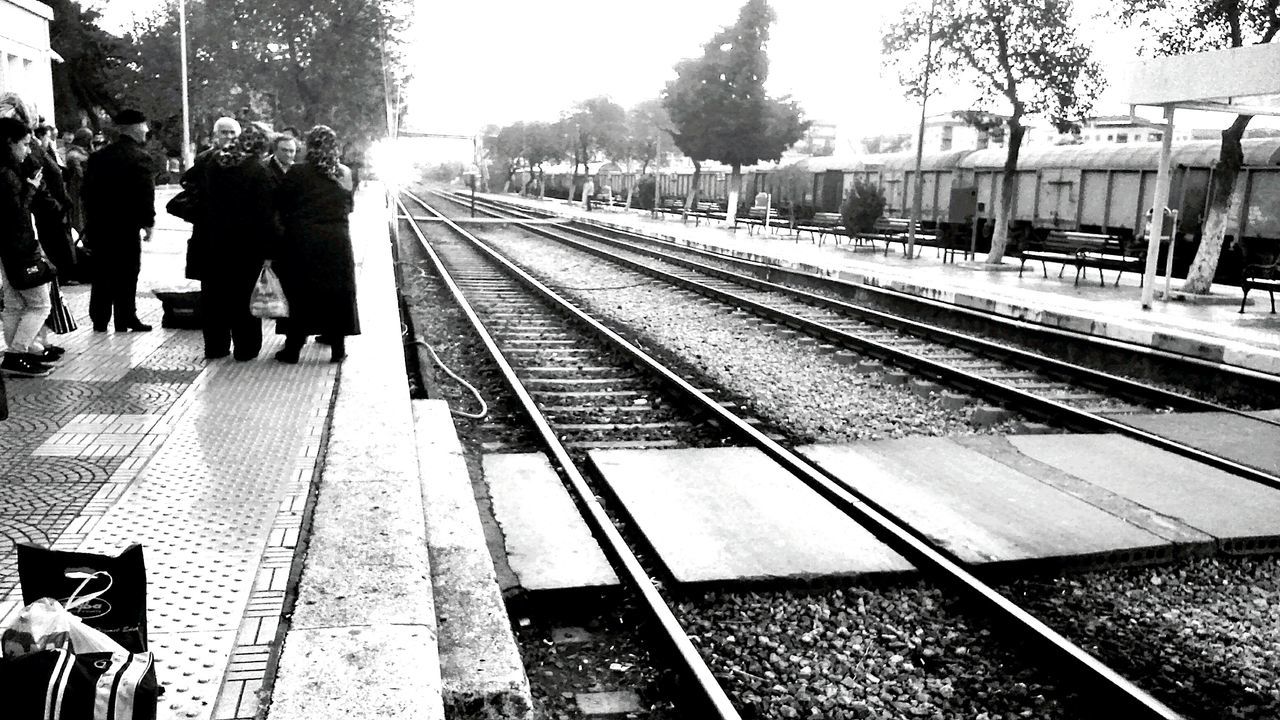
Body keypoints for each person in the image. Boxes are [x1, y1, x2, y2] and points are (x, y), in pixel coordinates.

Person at [273, 125, 359, 364]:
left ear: (309, 146)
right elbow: (349, 207)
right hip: (337, 240)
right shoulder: (344, 173)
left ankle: (293, 349)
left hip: (303, 241)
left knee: (299, 292)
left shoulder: (297, 172)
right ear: (334, 146)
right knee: (337, 292)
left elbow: (281, 204)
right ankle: (338, 349)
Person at [197, 125, 276, 360]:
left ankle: (215, 347)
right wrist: (269, 249)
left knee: (214, 296)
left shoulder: (213, 164)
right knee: (243, 296)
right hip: (245, 245)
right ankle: (246, 349)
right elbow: (265, 214)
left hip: (213, 240)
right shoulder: (258, 170)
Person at [83, 109, 156, 333]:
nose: (146, 130)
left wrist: (91, 222)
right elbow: (145, 194)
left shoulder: (98, 157)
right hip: (126, 226)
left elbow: (87, 193)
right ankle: (125, 318)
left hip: (100, 225)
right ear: (134, 128)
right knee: (127, 271)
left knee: (102, 271)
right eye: (144, 126)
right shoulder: (140, 157)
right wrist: (148, 222)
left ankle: (100, 318)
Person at [0, 117, 55, 377]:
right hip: (18, 245)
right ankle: (17, 353)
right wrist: (31, 188)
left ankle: (17, 356)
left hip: (7, 246)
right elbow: (16, 212)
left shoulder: (5, 170)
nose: (27, 150)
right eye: (23, 144)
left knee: (13, 303)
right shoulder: (7, 174)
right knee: (40, 304)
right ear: (9, 143)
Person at [179, 116, 240, 285]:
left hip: (235, 229)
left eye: (232, 133)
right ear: (215, 135)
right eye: (224, 132)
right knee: (209, 282)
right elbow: (188, 182)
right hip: (208, 228)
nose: (228, 136)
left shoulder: (246, 161)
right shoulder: (204, 159)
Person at [30, 124, 75, 283]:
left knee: (57, 240)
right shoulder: (37, 150)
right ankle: (66, 272)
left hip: (51, 203)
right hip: (51, 204)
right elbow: (54, 174)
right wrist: (60, 203)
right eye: (49, 137)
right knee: (58, 241)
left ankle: (66, 271)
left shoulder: (41, 150)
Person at [64, 129, 92, 241]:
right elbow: (80, 173)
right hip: (77, 188)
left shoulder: (82, 152)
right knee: (78, 214)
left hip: (85, 188)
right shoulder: (74, 154)